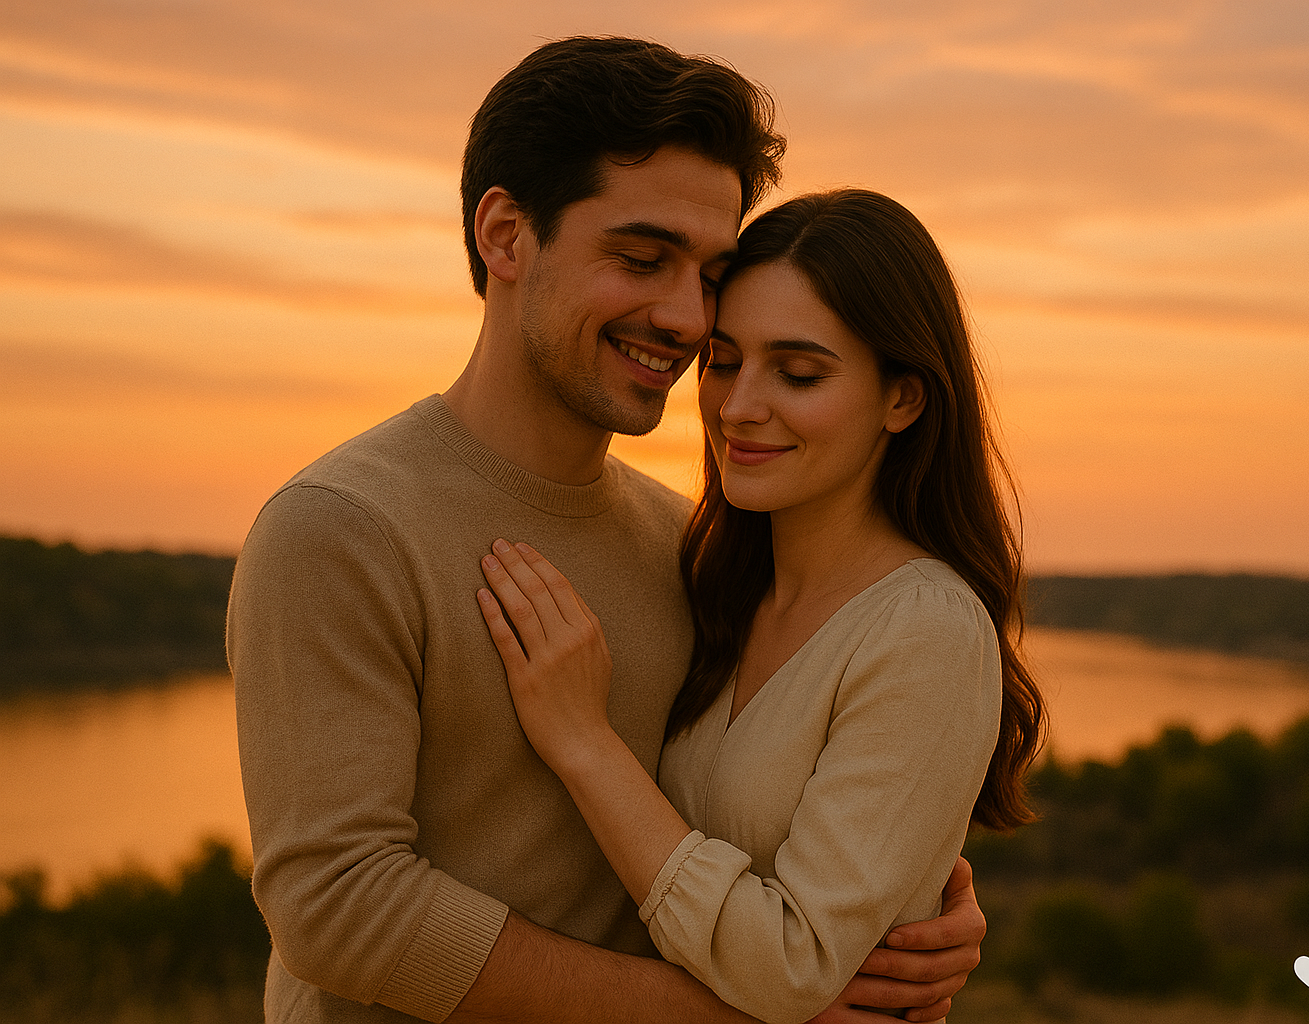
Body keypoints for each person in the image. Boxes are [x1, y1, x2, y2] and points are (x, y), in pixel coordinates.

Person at [227, 37, 984, 1024]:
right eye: (641, 258)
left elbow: (744, 828)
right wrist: (745, 1016)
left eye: (709, 273)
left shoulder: (693, 548)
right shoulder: (341, 531)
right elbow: (339, 908)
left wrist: (909, 897)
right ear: (505, 236)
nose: (684, 317)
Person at [473, 189, 1045, 1023]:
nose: (738, 407)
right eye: (723, 360)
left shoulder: (927, 630)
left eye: (799, 374)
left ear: (904, 399)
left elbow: (793, 964)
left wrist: (585, 743)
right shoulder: (713, 583)